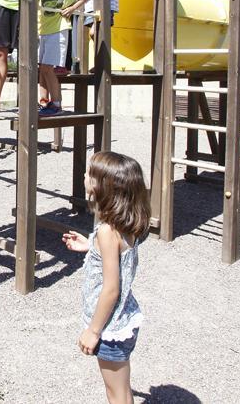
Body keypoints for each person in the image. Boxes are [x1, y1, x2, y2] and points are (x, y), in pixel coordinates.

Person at [63, 151, 150, 404]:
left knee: (115, 394)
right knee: (122, 389)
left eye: (89, 173)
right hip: (125, 318)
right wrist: (91, 246)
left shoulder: (106, 231)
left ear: (103, 187)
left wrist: (93, 331)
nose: (84, 175)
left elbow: (111, 289)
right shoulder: (127, 222)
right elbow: (116, 256)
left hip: (110, 327)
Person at [37, 0, 91, 116]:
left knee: (48, 68)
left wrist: (73, 7)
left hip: (59, 28)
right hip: (42, 29)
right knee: (42, 69)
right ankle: (44, 102)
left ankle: (57, 104)